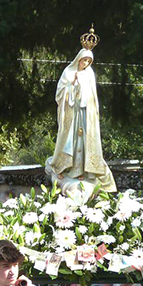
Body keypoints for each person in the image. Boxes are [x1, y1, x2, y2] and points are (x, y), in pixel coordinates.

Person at [45, 44, 117, 197]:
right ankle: (68, 168)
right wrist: (73, 85)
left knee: (85, 142)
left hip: (85, 114)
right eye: (84, 60)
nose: (85, 64)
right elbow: (60, 94)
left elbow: (92, 96)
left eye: (88, 62)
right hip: (72, 114)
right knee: (71, 141)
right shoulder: (68, 72)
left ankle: (85, 170)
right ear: (78, 59)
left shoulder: (90, 74)